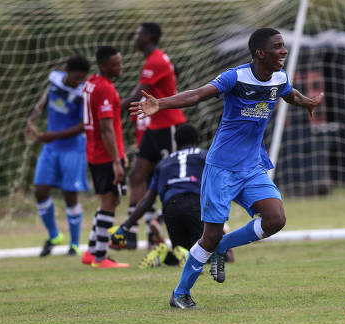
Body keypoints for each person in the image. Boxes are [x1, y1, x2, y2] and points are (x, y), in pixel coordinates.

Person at [130, 28, 323, 309]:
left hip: (253, 165)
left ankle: (223, 246)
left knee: (275, 219)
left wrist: (308, 103)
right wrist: (161, 103)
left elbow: (287, 93)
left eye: (284, 46)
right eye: (278, 47)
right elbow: (197, 95)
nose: (284, 51)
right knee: (210, 235)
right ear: (260, 53)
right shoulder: (236, 76)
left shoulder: (279, 77)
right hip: (221, 167)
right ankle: (180, 293)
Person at [121, 22, 186, 250]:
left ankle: (161, 224)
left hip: (168, 124)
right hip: (154, 126)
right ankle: (130, 234)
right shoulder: (153, 60)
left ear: (147, 37)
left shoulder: (156, 60)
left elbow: (138, 94)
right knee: (137, 176)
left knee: (171, 178)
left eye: (137, 34)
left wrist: (108, 108)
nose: (135, 38)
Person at [110, 123, 205, 268]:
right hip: (194, 204)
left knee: (182, 250)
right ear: (197, 141)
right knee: (211, 253)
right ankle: (184, 255)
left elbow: (148, 199)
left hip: (170, 208)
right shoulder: (204, 155)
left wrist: (125, 227)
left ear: (176, 142)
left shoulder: (164, 163)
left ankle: (165, 254)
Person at [25, 55, 90, 257]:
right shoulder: (53, 78)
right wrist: (32, 118)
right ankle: (54, 236)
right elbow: (45, 99)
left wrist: (53, 135)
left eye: (82, 78)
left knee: (70, 195)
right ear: (66, 71)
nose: (79, 81)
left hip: (73, 148)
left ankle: (75, 244)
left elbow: (83, 125)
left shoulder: (83, 93)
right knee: (40, 190)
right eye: (76, 77)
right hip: (51, 148)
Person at [80, 46, 130, 268]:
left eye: (120, 62)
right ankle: (100, 257)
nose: (120, 67)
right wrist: (117, 161)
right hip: (105, 155)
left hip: (94, 151)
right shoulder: (106, 90)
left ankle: (91, 252)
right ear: (103, 66)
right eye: (115, 64)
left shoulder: (91, 83)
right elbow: (107, 129)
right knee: (110, 201)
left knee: (110, 199)